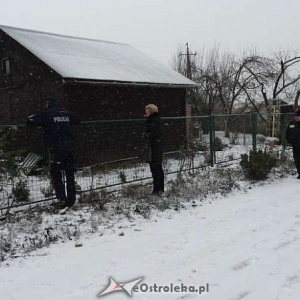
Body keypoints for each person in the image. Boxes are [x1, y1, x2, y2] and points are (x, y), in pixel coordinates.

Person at [27, 96, 80, 212]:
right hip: (70, 147)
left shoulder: (47, 114)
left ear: (48, 104)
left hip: (56, 149)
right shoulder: (66, 113)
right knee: (70, 173)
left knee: (56, 174)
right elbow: (78, 119)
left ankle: (61, 199)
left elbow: (30, 120)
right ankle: (71, 200)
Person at [143, 104, 164, 195]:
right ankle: (159, 189)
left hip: (155, 147)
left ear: (151, 112)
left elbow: (153, 134)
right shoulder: (154, 120)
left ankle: (157, 189)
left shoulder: (154, 121)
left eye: (147, 112)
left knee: (156, 168)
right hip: (155, 146)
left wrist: (146, 135)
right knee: (157, 168)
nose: (145, 114)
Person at [286, 109, 300, 179]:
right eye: (296, 116)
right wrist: (289, 140)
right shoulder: (291, 123)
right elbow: (287, 133)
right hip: (295, 145)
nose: (297, 117)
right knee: (297, 159)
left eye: (298, 116)